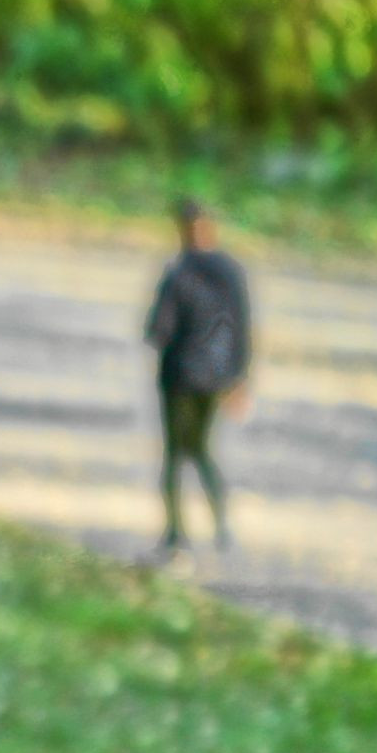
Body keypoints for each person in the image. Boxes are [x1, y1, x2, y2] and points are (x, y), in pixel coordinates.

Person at [142, 195, 252, 554]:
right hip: (216, 375)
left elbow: (158, 329)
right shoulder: (230, 272)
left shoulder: (179, 272)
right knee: (201, 450)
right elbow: (242, 328)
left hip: (180, 376)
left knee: (176, 454)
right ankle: (221, 525)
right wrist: (239, 377)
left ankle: (177, 532)